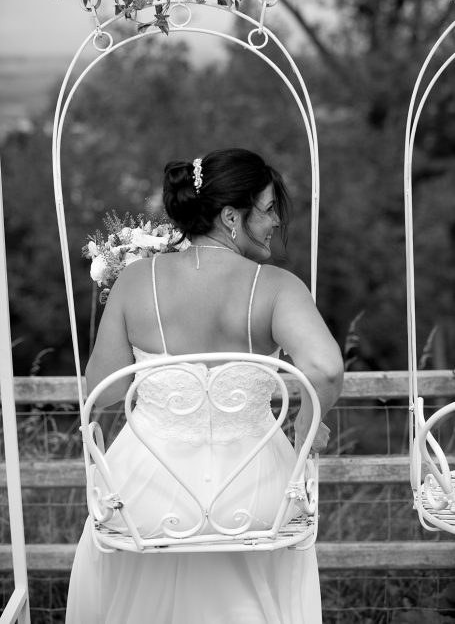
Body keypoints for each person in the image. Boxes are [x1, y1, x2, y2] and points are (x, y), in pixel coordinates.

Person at [66, 148, 344, 624]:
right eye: (269, 208)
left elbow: (102, 390)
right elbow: (326, 368)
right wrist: (304, 422)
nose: (276, 221)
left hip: (145, 495)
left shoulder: (136, 281)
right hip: (256, 496)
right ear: (231, 216)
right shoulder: (276, 287)